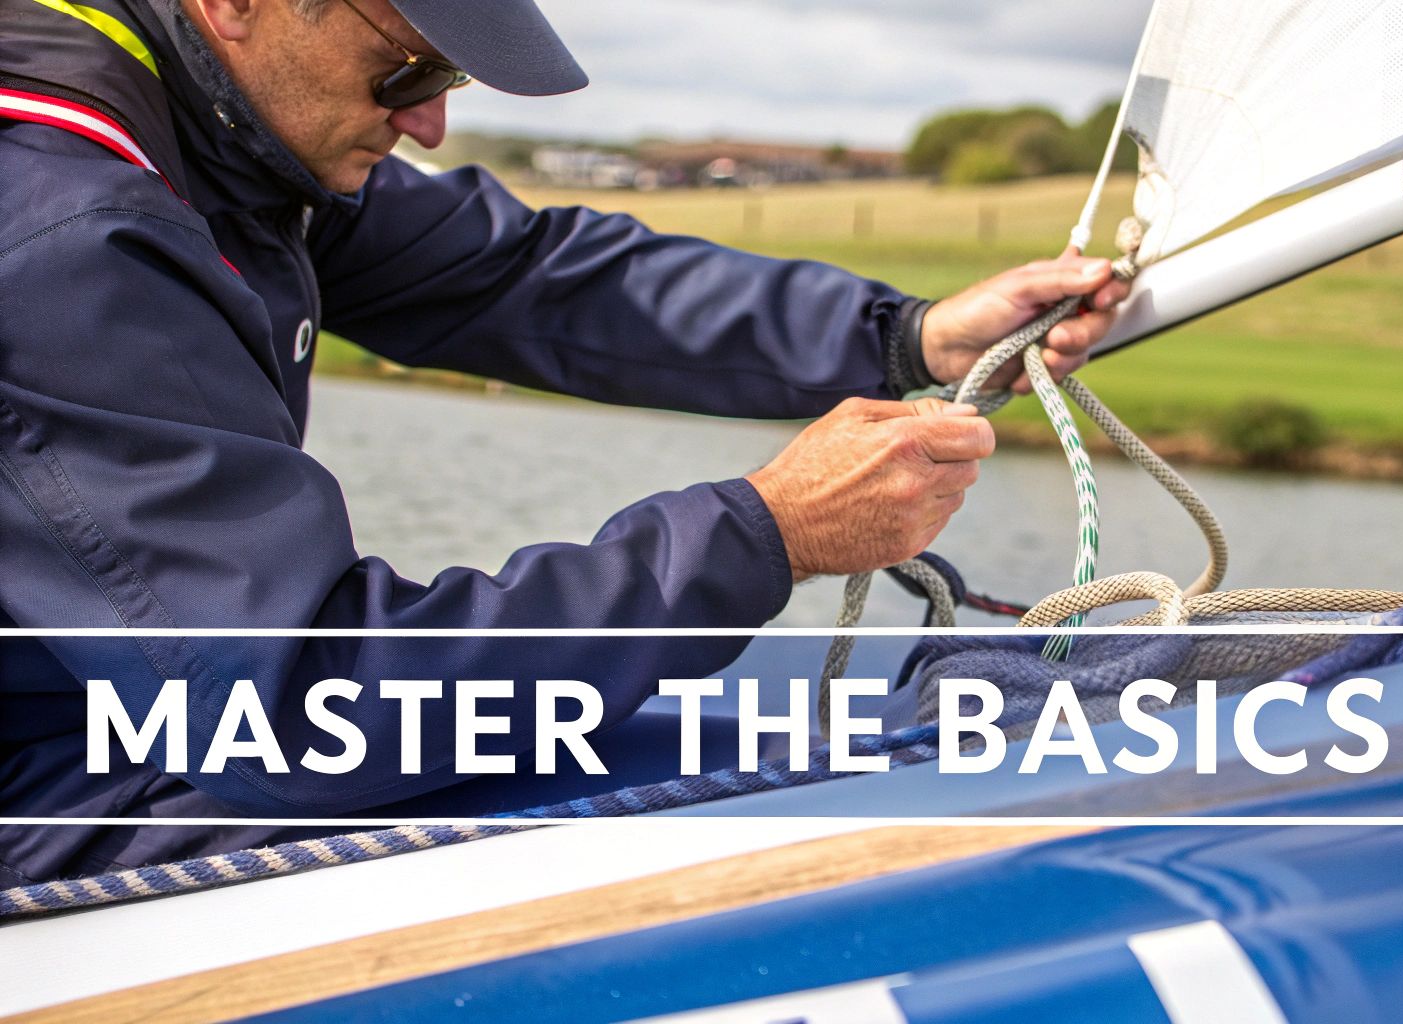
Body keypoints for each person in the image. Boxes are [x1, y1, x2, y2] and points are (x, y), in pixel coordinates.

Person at [0, 0, 1128, 885]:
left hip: (138, 719)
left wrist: (905, 337)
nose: (429, 124)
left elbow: (520, 276)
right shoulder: (69, 230)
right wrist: (767, 533)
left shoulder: (214, 123)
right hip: (52, 787)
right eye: (409, 70)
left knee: (717, 752)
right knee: (730, 786)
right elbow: (300, 706)